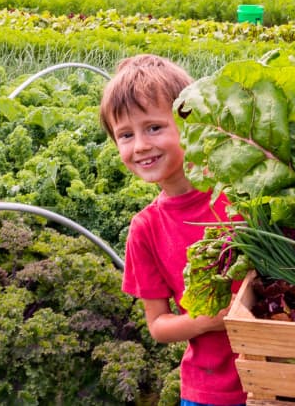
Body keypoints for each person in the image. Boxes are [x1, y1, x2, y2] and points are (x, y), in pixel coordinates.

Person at [99, 54, 247, 406]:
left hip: (281, 377)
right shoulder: (145, 228)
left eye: (153, 128)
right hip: (209, 392)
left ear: (189, 123)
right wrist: (207, 320)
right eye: (125, 135)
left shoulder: (240, 194)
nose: (140, 146)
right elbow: (159, 325)